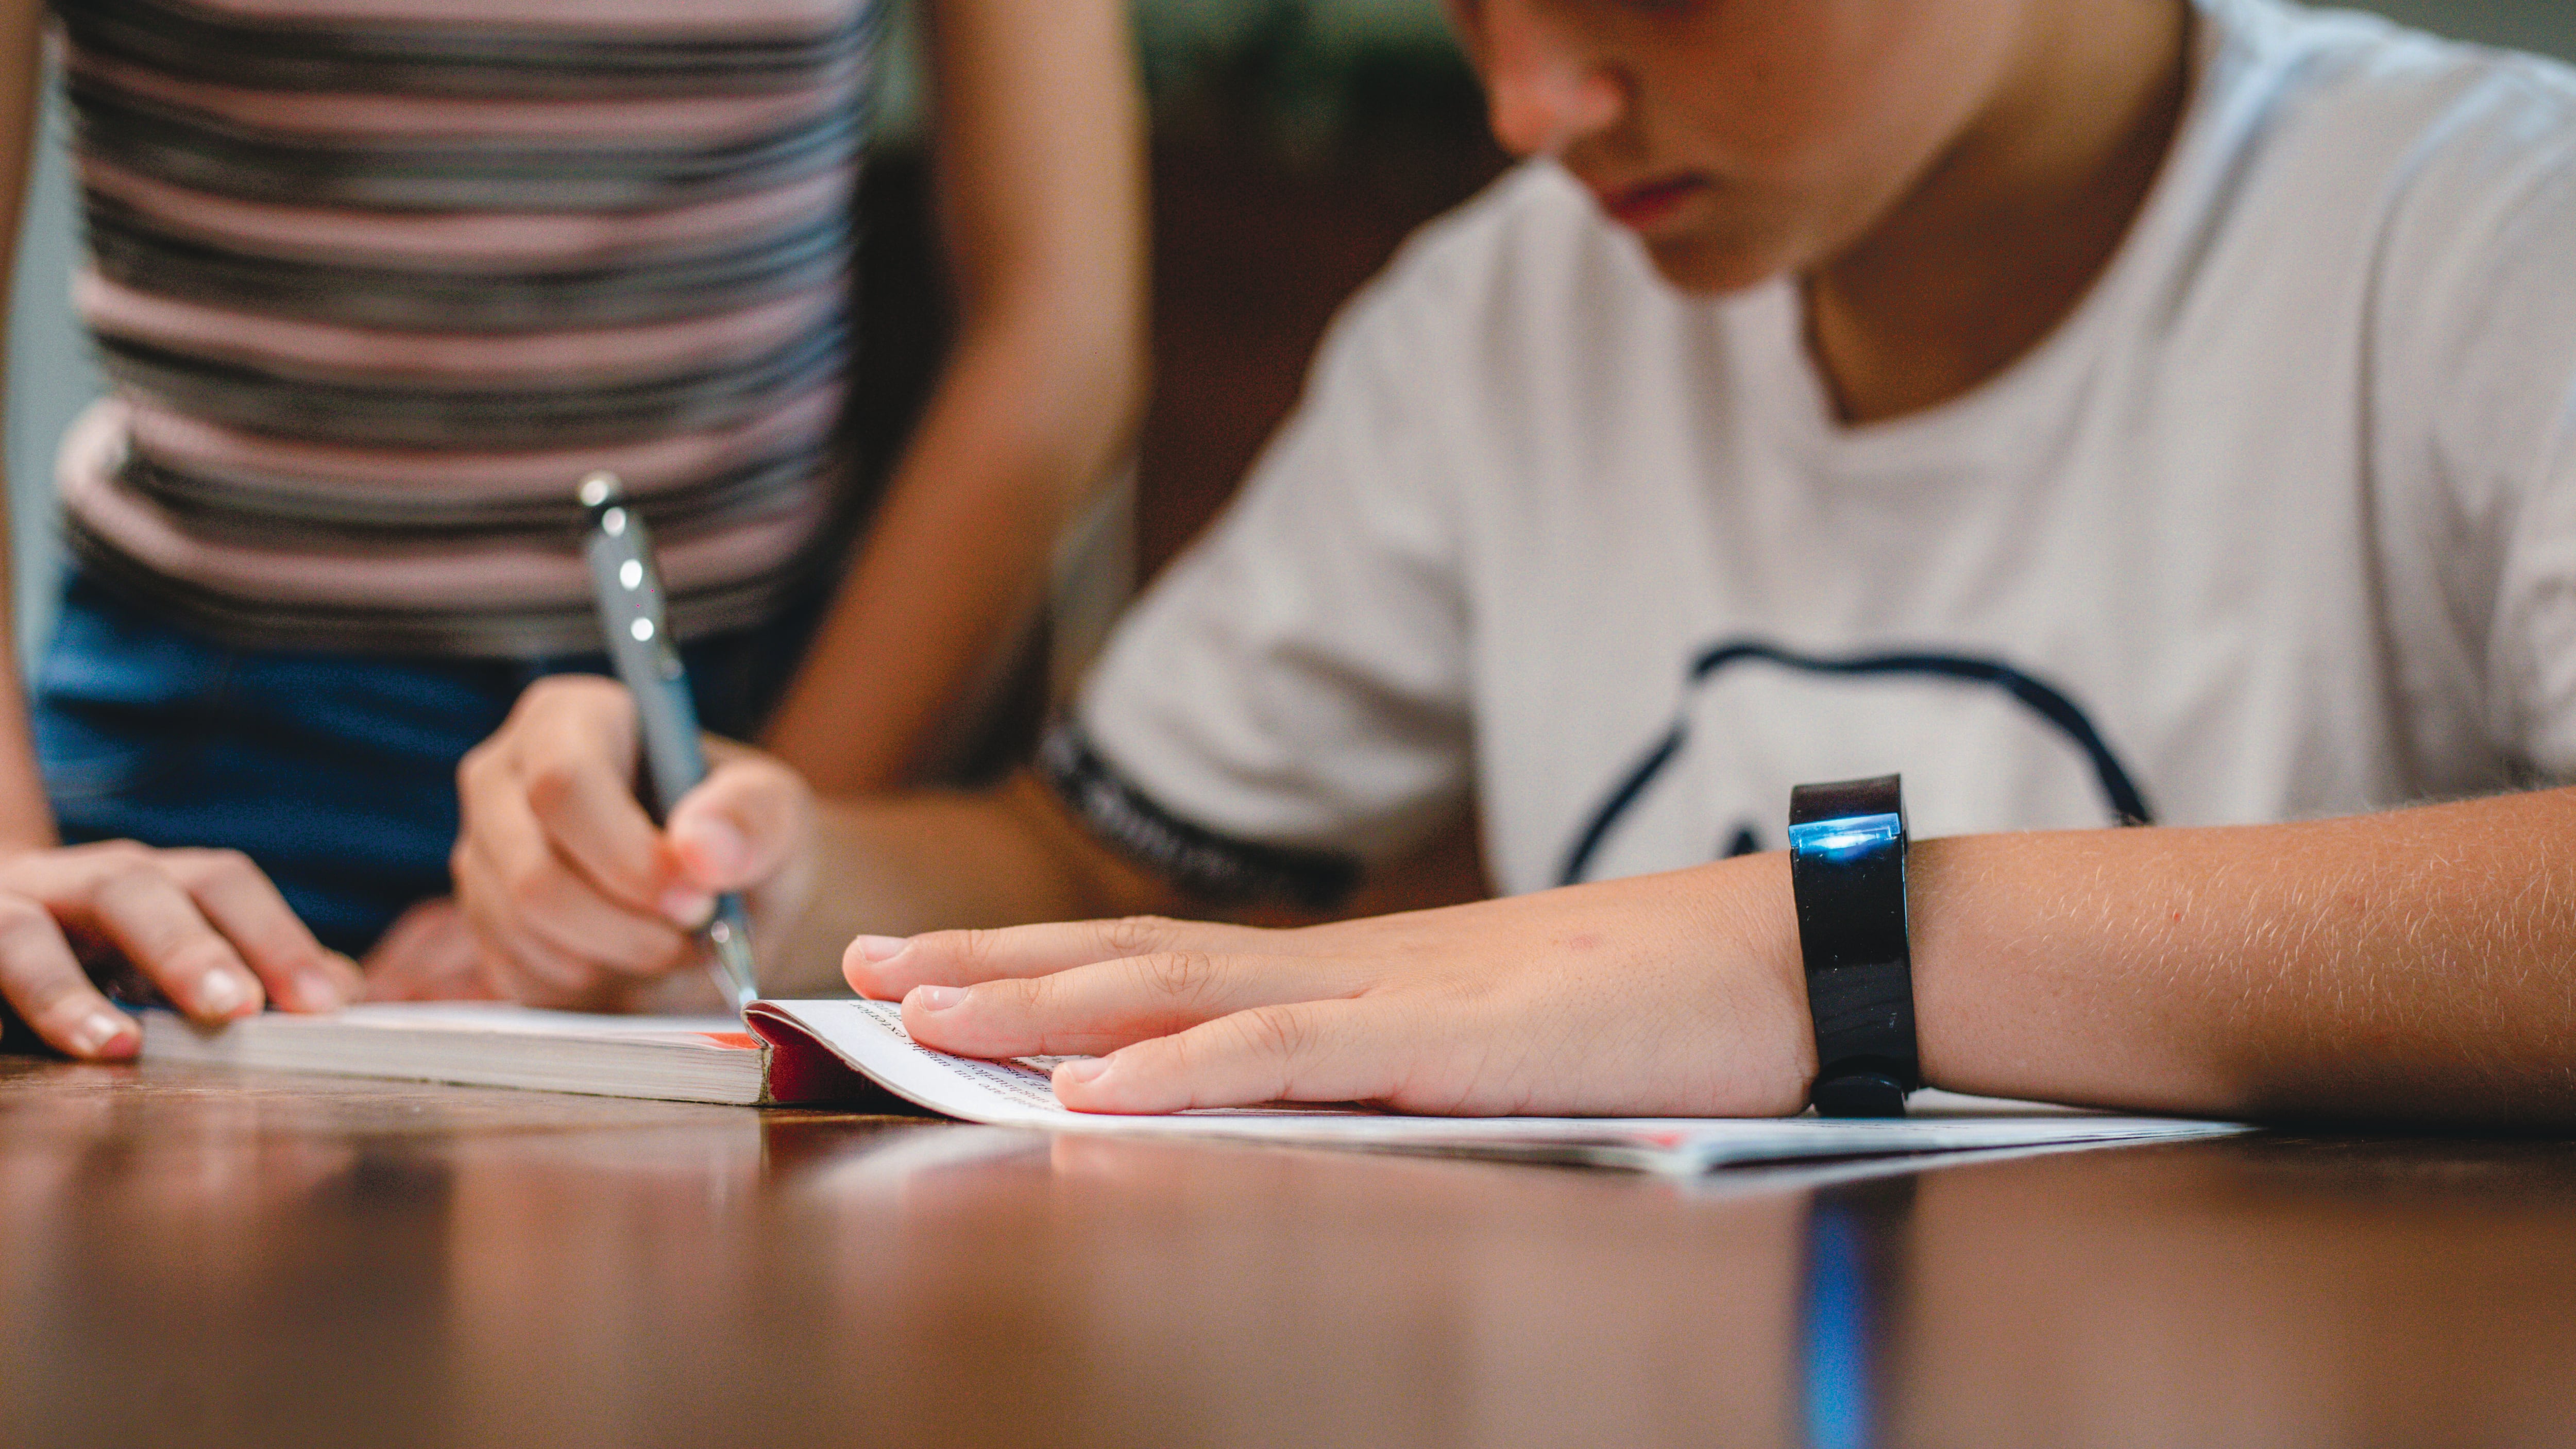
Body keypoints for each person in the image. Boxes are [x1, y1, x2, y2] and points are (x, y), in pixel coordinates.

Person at [453, 0, 2576, 1125]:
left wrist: (1807, 948)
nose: (1530, 97)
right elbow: (1104, 851)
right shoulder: (1506, 313)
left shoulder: (2475, 235)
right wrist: (753, 865)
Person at [0, 0, 1146, 1054]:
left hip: (764, 724)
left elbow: (1062, 333)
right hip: (199, 768)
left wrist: (730, 866)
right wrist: (10, 861)